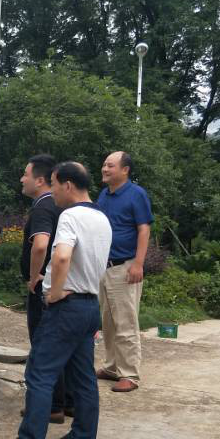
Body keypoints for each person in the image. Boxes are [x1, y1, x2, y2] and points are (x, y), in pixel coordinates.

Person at [0, 162, 112, 439]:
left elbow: (60, 257)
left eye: (55, 184)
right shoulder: (102, 218)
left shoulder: (71, 216)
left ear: (68, 185)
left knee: (40, 373)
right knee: (83, 377)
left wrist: (55, 293)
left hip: (67, 308)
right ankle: (82, 438)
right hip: (89, 306)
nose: (53, 191)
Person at [96, 152, 154, 392]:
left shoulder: (136, 194)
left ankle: (129, 374)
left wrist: (138, 264)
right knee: (108, 322)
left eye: (110, 165)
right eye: (104, 164)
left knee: (126, 322)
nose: (104, 169)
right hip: (104, 267)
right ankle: (112, 367)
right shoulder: (104, 194)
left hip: (125, 267)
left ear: (125, 170)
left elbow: (144, 229)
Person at [19, 154, 70, 424]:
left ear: (40, 180)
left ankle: (52, 406)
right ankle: (66, 402)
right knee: (61, 347)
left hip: (42, 288)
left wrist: (33, 276)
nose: (22, 179)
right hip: (62, 286)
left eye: (25, 175)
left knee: (43, 348)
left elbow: (40, 245)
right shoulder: (60, 205)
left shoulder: (43, 207)